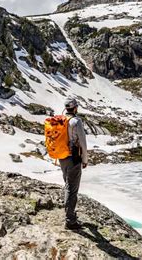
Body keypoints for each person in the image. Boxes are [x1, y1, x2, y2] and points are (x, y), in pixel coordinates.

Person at [60, 97, 88, 230]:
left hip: (62, 157)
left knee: (67, 184)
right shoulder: (76, 121)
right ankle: (70, 220)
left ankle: (69, 214)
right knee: (72, 189)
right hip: (74, 157)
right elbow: (82, 142)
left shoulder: (60, 120)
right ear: (75, 108)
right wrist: (85, 159)